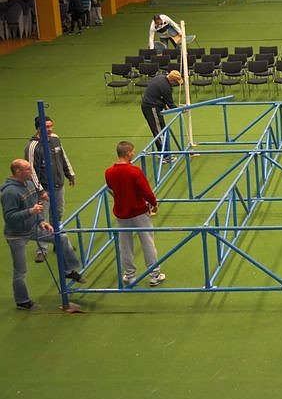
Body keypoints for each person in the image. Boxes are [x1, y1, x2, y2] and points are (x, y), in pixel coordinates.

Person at [2, 159, 85, 311]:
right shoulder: (10, 192)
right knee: (20, 270)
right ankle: (22, 301)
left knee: (61, 237)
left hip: (33, 227)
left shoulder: (30, 184)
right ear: (18, 172)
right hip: (17, 235)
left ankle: (68, 270)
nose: (31, 171)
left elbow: (37, 207)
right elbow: (9, 217)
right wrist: (30, 212)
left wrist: (41, 221)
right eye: (27, 169)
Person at [105, 141, 166, 286]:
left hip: (121, 213)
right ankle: (154, 274)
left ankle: (129, 275)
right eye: (132, 151)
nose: (134, 153)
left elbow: (111, 189)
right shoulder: (135, 171)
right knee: (148, 243)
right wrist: (154, 203)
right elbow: (146, 191)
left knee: (125, 246)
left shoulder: (109, 172)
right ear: (127, 153)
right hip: (139, 212)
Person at [24, 116, 76, 263]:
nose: (50, 129)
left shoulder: (55, 139)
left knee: (58, 214)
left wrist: (69, 173)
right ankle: (42, 249)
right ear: (38, 128)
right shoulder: (32, 147)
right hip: (44, 189)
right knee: (43, 218)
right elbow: (31, 171)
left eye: (51, 126)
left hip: (58, 185)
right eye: (46, 127)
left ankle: (58, 242)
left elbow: (63, 157)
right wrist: (40, 190)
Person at [141, 69, 183, 163]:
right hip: (151, 108)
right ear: (172, 80)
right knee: (159, 132)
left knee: (161, 130)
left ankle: (163, 153)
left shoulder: (160, 77)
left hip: (152, 105)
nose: (175, 84)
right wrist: (181, 110)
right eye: (176, 82)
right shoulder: (166, 87)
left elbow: (163, 101)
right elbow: (170, 104)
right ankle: (165, 156)